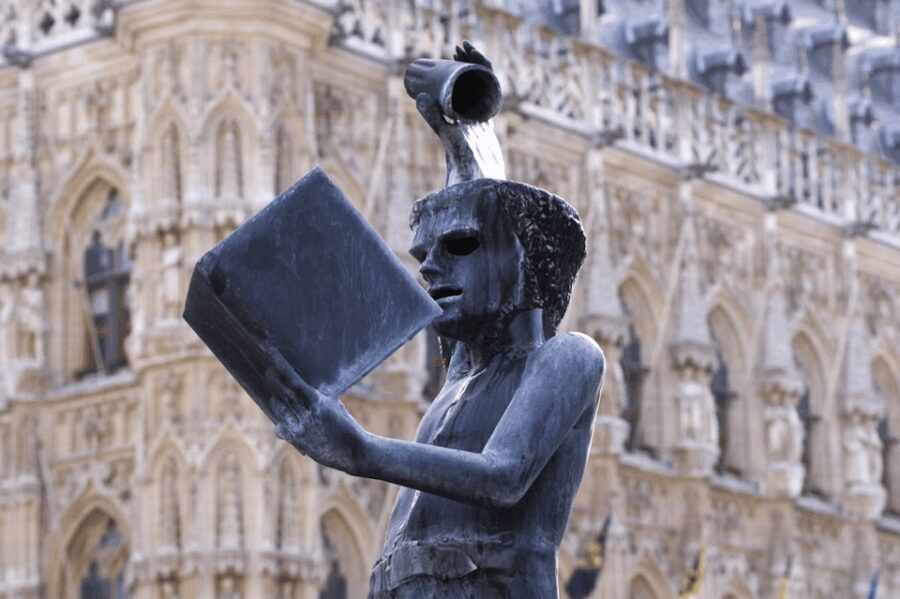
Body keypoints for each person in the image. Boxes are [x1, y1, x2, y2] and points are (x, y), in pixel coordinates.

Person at [266, 43, 605, 598]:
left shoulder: (568, 357)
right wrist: (467, 141)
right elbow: (487, 219)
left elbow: (503, 477)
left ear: (525, 262)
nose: (430, 268)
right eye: (424, 256)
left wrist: (361, 451)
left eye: (458, 247)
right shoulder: (459, 382)